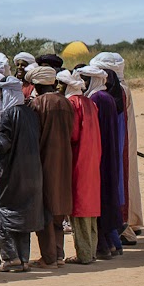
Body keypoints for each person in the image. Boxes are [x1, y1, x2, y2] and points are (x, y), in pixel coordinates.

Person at [0, 73, 44, 272]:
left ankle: (10, 258)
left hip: (13, 174)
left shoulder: (9, 114)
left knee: (5, 213)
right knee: (23, 216)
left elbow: (3, 145)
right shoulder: (30, 112)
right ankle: (23, 259)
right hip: (32, 172)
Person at [26, 64, 74, 269]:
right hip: (64, 161)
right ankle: (59, 254)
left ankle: (49, 257)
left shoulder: (36, 105)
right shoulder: (66, 103)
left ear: (36, 85)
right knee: (58, 209)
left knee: (44, 208)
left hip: (43, 162)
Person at [92, 52, 143, 241]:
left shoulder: (116, 90)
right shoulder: (120, 89)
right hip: (118, 140)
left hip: (117, 141)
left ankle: (122, 225)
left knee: (119, 178)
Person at [57, 70, 102, 264]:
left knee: (81, 206)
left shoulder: (73, 104)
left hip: (79, 159)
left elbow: (73, 134)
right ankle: (91, 250)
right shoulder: (90, 103)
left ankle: (84, 254)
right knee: (90, 207)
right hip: (92, 157)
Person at [83, 66, 124, 259]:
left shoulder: (96, 99)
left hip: (99, 154)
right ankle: (114, 244)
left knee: (99, 199)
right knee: (106, 198)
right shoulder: (106, 97)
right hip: (108, 153)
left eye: (85, 80)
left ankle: (104, 247)